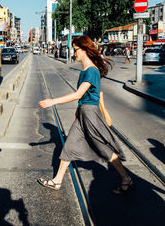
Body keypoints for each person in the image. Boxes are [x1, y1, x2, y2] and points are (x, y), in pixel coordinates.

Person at [37, 35, 132, 194]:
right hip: (83, 113)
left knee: (103, 148)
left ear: (85, 50)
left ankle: (125, 178)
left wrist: (52, 101)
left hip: (90, 114)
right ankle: (57, 181)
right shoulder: (85, 71)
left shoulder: (92, 71)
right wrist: (77, 112)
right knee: (69, 146)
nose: (74, 53)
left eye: (75, 50)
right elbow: (82, 98)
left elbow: (78, 94)